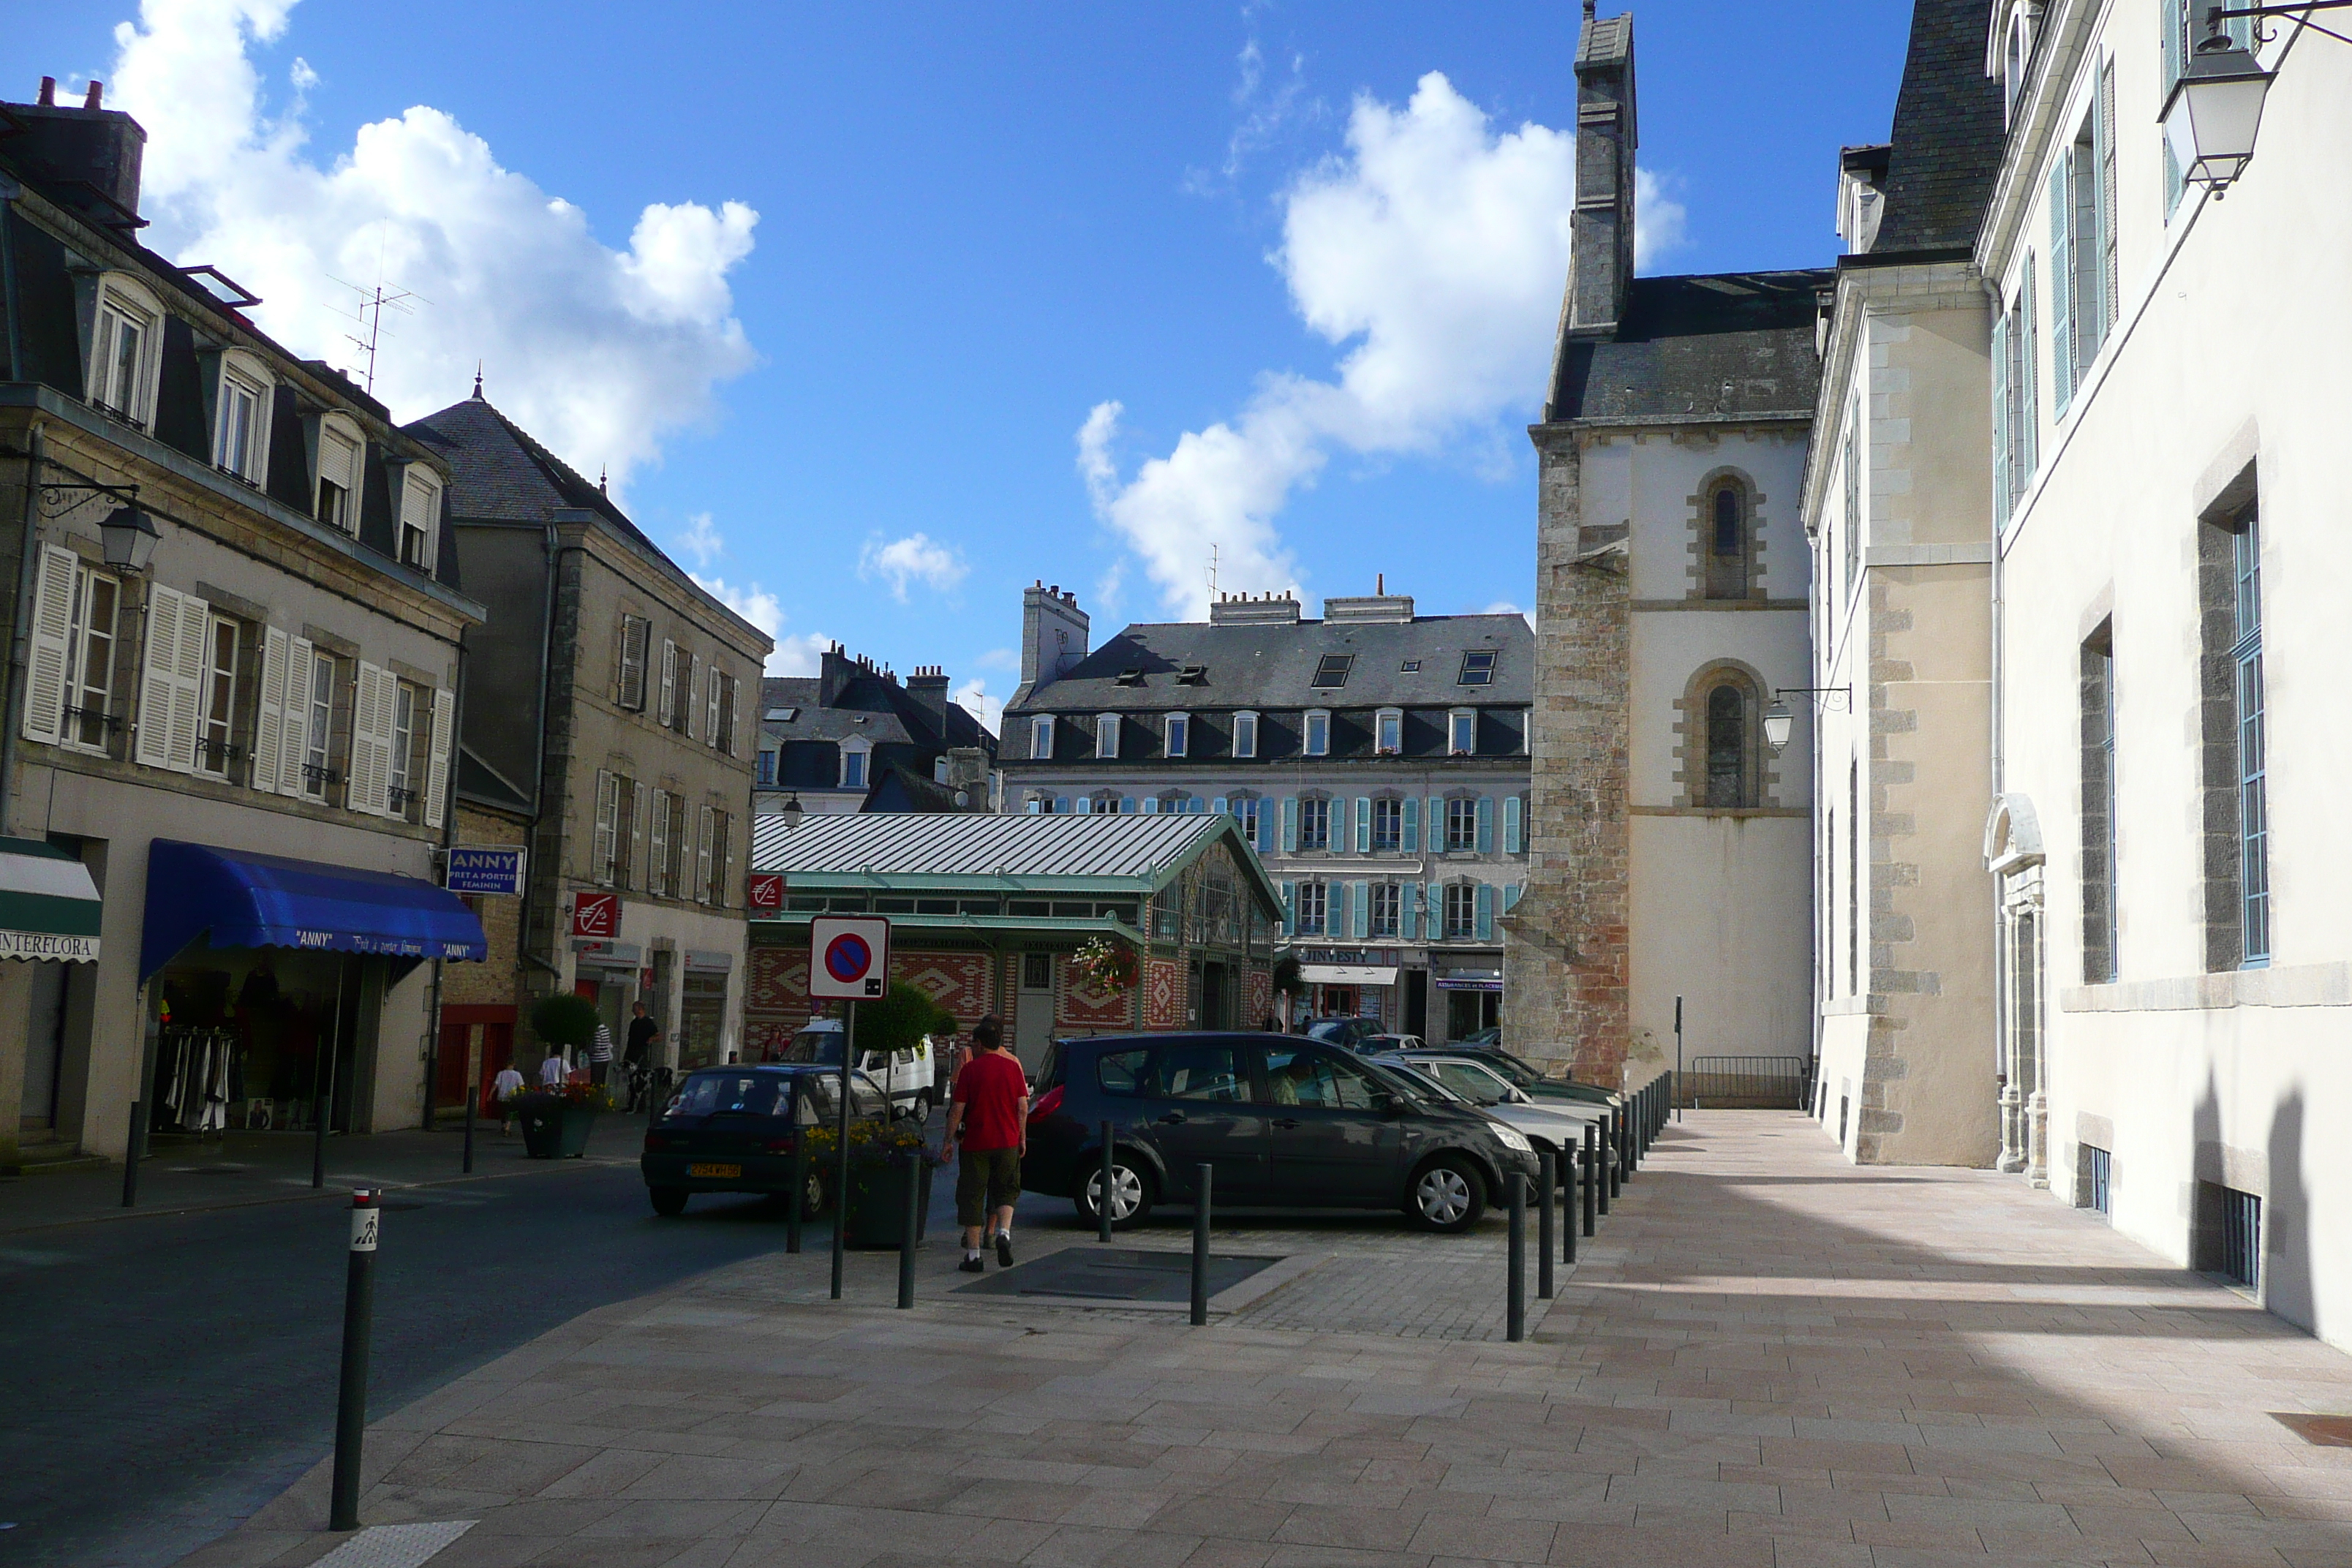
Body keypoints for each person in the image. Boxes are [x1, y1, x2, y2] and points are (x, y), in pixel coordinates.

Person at [941, 1015, 1026, 1273]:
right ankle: (1003, 1233)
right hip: (1007, 1141)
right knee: (1007, 1189)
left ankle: (974, 1256)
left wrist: (948, 1140)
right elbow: (1022, 1107)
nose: (972, 1048)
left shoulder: (970, 1070)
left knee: (972, 1195)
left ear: (980, 1044)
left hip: (976, 1143)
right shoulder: (1013, 1068)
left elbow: (957, 1108)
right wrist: (1021, 1137)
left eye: (973, 1043)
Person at [623, 1001, 659, 1109]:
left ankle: (641, 1105)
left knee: (641, 1079)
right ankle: (631, 1104)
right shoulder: (634, 1023)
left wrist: (651, 1039)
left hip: (641, 1053)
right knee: (631, 1080)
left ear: (640, 1009)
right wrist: (626, 1056)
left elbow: (658, 1036)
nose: (633, 1011)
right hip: (632, 1053)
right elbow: (630, 1040)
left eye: (634, 1008)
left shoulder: (648, 1022)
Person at [490, 1062, 526, 1133]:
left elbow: (495, 1084)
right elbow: (521, 1086)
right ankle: (507, 1126)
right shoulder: (517, 1074)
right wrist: (522, 1094)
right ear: (513, 1065)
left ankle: (504, 1125)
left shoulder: (501, 1073)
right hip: (512, 1096)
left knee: (503, 1112)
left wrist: (490, 1093)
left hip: (502, 1095)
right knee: (510, 1112)